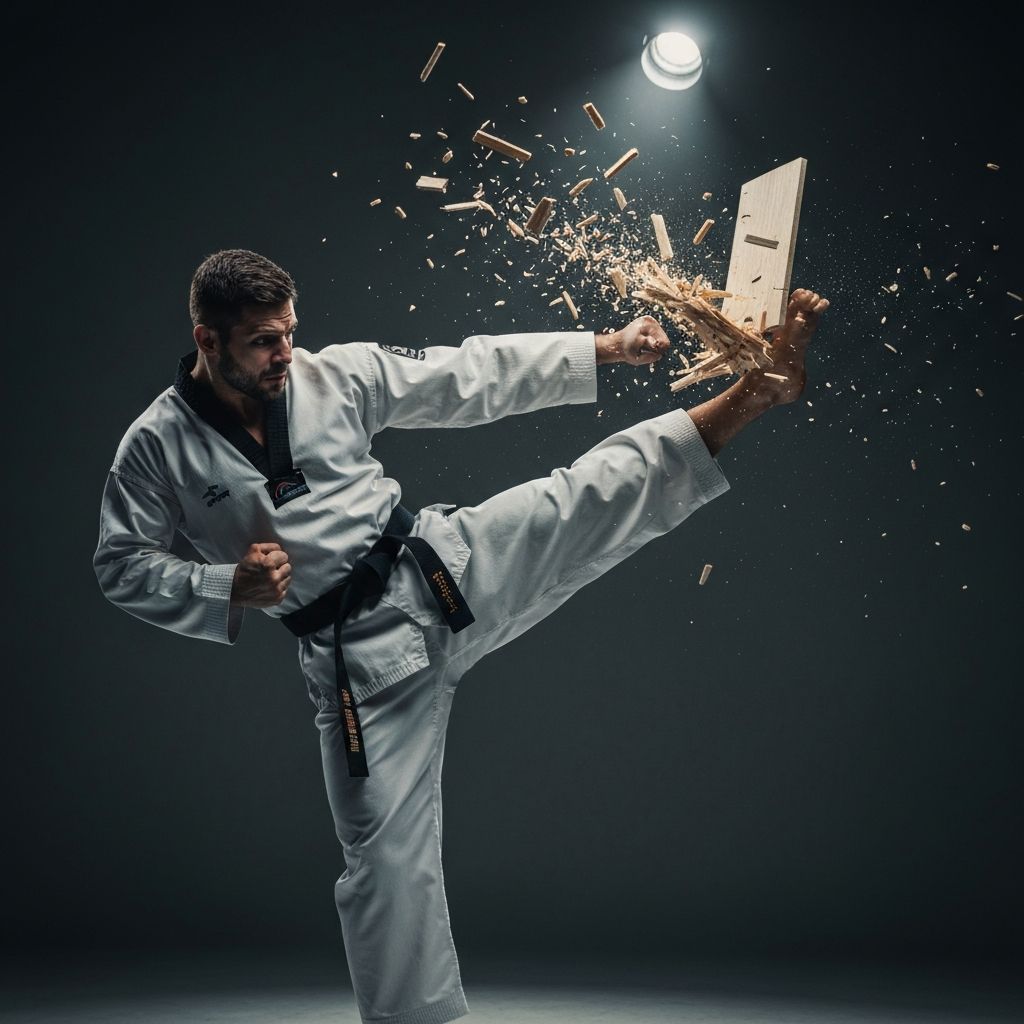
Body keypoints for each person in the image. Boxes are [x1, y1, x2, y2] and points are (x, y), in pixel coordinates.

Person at [93, 248, 828, 1024]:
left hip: (442, 572)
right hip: (364, 669)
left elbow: (467, 374)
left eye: (290, 332)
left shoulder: (331, 376)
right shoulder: (155, 446)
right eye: (263, 342)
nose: (285, 355)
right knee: (383, 867)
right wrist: (222, 585)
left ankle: (761, 391)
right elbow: (120, 564)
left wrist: (604, 348)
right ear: (208, 341)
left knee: (586, 494)